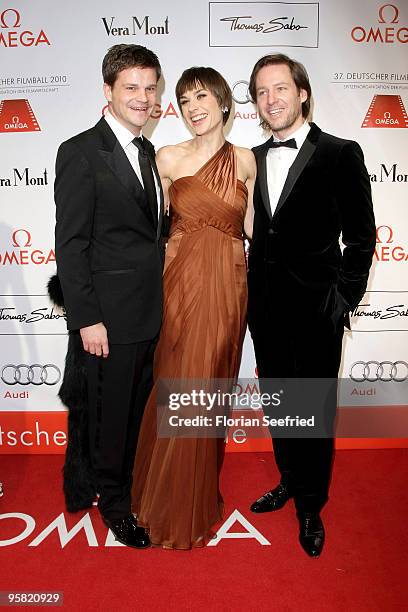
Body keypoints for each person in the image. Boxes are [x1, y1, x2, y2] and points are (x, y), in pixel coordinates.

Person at [247, 54, 376, 557]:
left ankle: (310, 504)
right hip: (265, 309)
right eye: (261, 92)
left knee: (315, 410)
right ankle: (287, 479)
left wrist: (343, 298)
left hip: (319, 309)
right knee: (281, 403)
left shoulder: (341, 153)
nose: (271, 99)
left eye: (280, 88)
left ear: (302, 93)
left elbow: (362, 238)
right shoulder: (249, 158)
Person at [131, 66, 256, 549]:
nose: (192, 107)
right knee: (176, 381)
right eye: (183, 101)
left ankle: (193, 496)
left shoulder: (246, 160)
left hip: (227, 287)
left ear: (224, 101)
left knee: (207, 388)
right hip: (179, 283)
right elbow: (150, 230)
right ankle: (164, 498)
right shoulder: (166, 158)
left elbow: (253, 230)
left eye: (201, 96)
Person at [54, 44, 164, 548]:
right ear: (108, 91)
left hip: (150, 313)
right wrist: (88, 318)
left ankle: (128, 487)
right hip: (108, 321)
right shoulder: (79, 151)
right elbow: (71, 245)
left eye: (149, 87)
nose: (142, 98)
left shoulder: (148, 151)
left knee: (138, 413)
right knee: (111, 419)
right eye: (131, 88)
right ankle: (114, 504)